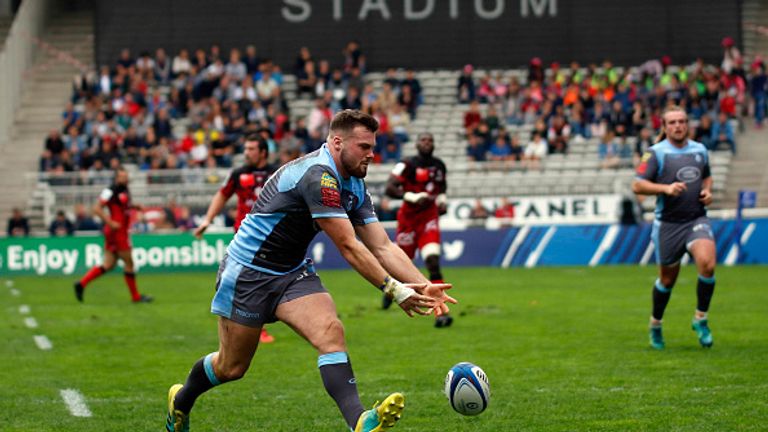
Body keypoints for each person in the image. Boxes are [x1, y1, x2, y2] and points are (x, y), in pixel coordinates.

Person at [165, 110, 456, 432]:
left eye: (372, 146)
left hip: (292, 271)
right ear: (336, 142)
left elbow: (382, 246)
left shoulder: (354, 184)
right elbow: (348, 245)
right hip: (248, 271)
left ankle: (359, 420)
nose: (371, 154)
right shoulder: (318, 176)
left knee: (331, 332)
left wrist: (422, 283)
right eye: (363, 146)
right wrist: (395, 289)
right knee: (231, 367)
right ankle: (181, 400)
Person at [632, 105, 716, 350]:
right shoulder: (655, 153)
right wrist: (665, 189)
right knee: (667, 281)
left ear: (687, 124)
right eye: (673, 122)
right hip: (668, 225)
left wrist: (708, 191)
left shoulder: (700, 150)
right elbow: (637, 186)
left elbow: (707, 175)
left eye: (682, 121)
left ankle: (701, 318)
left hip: (696, 219)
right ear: (664, 127)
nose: (678, 126)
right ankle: (656, 324)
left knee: (708, 265)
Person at [194, 133, 277, 344]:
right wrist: (207, 220)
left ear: (263, 152)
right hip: (244, 236)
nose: (246, 153)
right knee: (244, 281)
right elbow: (222, 195)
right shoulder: (238, 174)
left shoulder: (276, 173)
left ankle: (256, 326)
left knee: (263, 281)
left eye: (251, 149)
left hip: (272, 235)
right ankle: (248, 327)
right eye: (246, 149)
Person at [382, 133, 453, 328]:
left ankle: (440, 312)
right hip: (408, 219)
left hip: (429, 216)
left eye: (430, 140)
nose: (426, 143)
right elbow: (389, 188)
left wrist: (443, 201)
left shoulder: (439, 165)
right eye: (423, 140)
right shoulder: (406, 164)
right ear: (416, 144)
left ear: (434, 144)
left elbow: (442, 186)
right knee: (401, 265)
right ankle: (391, 289)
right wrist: (411, 197)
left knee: (432, 260)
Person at [73, 167, 153, 303]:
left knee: (109, 264)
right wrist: (109, 222)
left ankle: (81, 284)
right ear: (116, 178)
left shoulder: (124, 190)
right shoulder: (110, 190)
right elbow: (96, 208)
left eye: (125, 176)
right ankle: (135, 297)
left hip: (119, 232)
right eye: (122, 176)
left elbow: (122, 206)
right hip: (117, 233)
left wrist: (134, 206)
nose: (124, 178)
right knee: (129, 262)